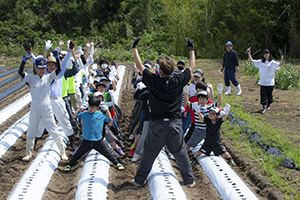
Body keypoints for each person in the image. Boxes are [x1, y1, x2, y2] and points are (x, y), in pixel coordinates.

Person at [131, 36, 195, 187]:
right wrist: (191, 49)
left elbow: (140, 67)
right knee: (180, 153)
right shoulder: (178, 80)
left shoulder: (153, 80)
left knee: (148, 154)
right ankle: (189, 181)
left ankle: (139, 180)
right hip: (174, 124)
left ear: (159, 70)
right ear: (172, 69)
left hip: (156, 124)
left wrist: (135, 48)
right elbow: (191, 67)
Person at [18, 42, 67, 161]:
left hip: (46, 105)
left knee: (52, 127)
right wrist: (24, 59)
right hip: (35, 105)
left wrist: (56, 57)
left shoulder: (48, 78)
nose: (41, 70)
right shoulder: (31, 79)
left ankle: (62, 152)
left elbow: (59, 69)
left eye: (43, 68)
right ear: (35, 68)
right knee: (31, 129)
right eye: (39, 68)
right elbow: (20, 72)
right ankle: (29, 153)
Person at [64, 96, 124, 171]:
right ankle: (69, 165)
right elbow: (74, 116)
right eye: (89, 106)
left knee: (107, 153)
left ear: (97, 107)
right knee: (78, 155)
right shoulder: (84, 114)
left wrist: (107, 111)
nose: (91, 109)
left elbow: (110, 122)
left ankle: (117, 163)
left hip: (98, 141)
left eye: (93, 107)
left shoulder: (100, 115)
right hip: (86, 141)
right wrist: (80, 108)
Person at [247, 48, 284, 114]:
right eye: (264, 54)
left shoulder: (272, 63)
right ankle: (264, 107)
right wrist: (249, 53)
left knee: (269, 96)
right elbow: (252, 61)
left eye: (267, 53)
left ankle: (268, 105)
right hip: (263, 82)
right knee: (263, 95)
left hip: (270, 82)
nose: (266, 55)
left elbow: (280, 65)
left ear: (269, 54)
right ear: (263, 55)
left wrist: (282, 57)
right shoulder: (260, 62)